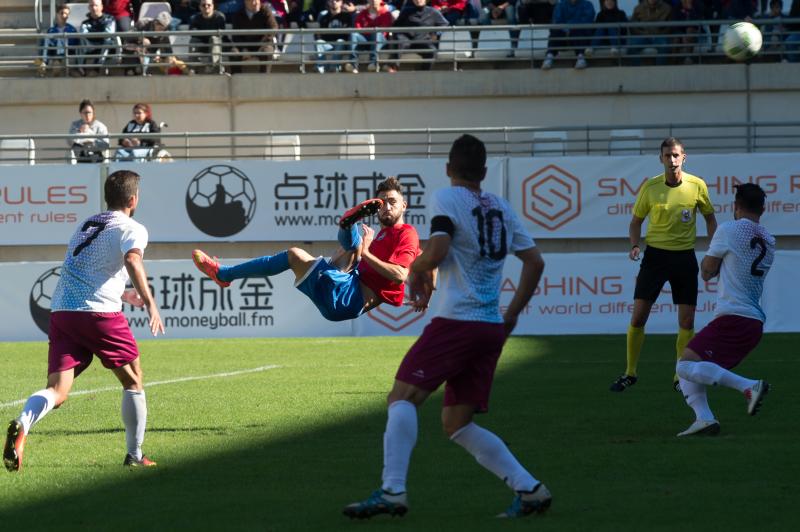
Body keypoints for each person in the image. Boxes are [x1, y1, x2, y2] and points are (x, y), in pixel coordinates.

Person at [343, 135, 550, 520]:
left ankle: (392, 490)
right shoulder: (502, 207)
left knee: (401, 399)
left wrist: (414, 270)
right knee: (457, 422)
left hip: (457, 321)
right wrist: (513, 315)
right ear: (484, 173)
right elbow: (535, 262)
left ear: (448, 169)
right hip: (490, 326)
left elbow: (436, 252)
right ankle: (530, 489)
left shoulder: (446, 198)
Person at [3, 170, 165, 473]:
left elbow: (93, 267)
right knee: (133, 379)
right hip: (98, 313)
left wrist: (125, 295)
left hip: (63, 311)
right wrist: (151, 304)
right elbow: (132, 260)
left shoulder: (88, 223)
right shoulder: (132, 227)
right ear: (133, 199)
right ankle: (135, 454)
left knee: (58, 390)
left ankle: (22, 424)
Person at [192, 176, 420, 322]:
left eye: (392, 201)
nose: (386, 207)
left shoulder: (406, 233)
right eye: (382, 203)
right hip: (341, 290)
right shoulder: (384, 235)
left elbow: (400, 275)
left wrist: (366, 252)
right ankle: (223, 274)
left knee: (357, 244)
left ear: (404, 205)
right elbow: (424, 257)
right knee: (294, 254)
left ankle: (348, 223)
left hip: (349, 299)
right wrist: (428, 290)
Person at [610, 137, 717, 392]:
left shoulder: (697, 185)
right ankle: (630, 372)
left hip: (684, 257)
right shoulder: (650, 187)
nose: (672, 160)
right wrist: (635, 245)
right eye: (667, 156)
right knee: (638, 318)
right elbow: (635, 222)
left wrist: (714, 250)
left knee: (687, 322)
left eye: (675, 155)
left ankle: (680, 376)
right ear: (661, 159)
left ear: (684, 157)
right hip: (655, 258)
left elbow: (711, 220)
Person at [674, 183, 775, 436]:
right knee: (689, 363)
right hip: (753, 323)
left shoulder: (728, 229)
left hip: (734, 317)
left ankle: (749, 386)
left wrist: (712, 263)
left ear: (735, 206)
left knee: (684, 366)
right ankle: (705, 419)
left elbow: (707, 272)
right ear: (763, 209)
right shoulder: (769, 240)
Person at [388, 0, 449, 72]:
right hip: (406, 38)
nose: (418, 0)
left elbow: (445, 25)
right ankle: (393, 67)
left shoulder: (433, 12)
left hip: (422, 40)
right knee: (399, 41)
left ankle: (424, 72)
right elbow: (396, 25)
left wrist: (435, 34)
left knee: (432, 51)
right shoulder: (406, 11)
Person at [540, 0, 596, 70]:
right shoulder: (561, 5)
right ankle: (549, 57)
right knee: (555, 32)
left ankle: (581, 58)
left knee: (578, 31)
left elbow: (587, 20)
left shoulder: (587, 4)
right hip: (564, 37)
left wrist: (571, 27)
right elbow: (557, 21)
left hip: (580, 36)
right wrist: (566, 29)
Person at [230, 0, 279, 74]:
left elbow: (274, 28)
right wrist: (244, 49)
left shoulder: (265, 10)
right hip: (245, 45)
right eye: (252, 1)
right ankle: (237, 79)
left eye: (257, 0)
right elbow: (235, 35)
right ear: (246, 2)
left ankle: (264, 79)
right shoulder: (238, 14)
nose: (256, 3)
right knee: (233, 53)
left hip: (263, 44)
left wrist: (261, 45)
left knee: (267, 52)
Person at [37, 3, 80, 77]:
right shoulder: (51, 30)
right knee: (46, 38)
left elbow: (74, 44)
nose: (64, 16)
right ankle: (43, 63)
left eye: (66, 14)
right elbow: (44, 46)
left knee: (59, 39)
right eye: (62, 13)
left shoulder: (72, 29)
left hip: (67, 54)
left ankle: (44, 63)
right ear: (57, 14)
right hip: (53, 53)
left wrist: (59, 40)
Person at [315, 0, 356, 73]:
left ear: (341, 2)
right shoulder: (324, 17)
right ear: (328, 2)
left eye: (337, 0)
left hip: (342, 44)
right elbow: (320, 35)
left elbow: (349, 34)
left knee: (340, 41)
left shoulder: (347, 16)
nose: (334, 2)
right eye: (331, 1)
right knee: (318, 42)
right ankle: (321, 67)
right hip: (329, 44)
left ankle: (334, 67)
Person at [353, 0, 395, 72]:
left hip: (381, 40)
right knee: (354, 34)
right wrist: (369, 33)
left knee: (377, 33)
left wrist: (369, 32)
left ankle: (373, 63)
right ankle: (352, 64)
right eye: (372, 0)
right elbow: (358, 27)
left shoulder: (386, 13)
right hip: (366, 39)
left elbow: (384, 31)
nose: (374, 1)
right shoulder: (363, 13)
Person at [189, 0, 229, 74]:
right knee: (193, 41)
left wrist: (204, 33)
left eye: (209, 5)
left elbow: (220, 34)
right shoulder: (195, 18)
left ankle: (215, 68)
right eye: (203, 5)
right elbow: (193, 33)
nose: (206, 7)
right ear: (200, 7)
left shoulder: (219, 17)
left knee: (214, 40)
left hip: (217, 44)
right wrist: (209, 34)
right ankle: (193, 69)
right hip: (202, 44)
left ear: (213, 6)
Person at [628, 0, 672, 66]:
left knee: (664, 46)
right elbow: (632, 26)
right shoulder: (639, 8)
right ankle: (636, 72)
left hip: (659, 36)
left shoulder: (666, 8)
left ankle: (660, 72)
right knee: (631, 47)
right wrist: (640, 33)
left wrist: (662, 33)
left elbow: (670, 25)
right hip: (643, 36)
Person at [80, 0, 117, 77]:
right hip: (91, 48)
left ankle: (96, 68)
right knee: (81, 40)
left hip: (107, 49)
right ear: (88, 8)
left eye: (96, 5)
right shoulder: (85, 23)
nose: (94, 8)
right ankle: (81, 70)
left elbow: (108, 34)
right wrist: (99, 36)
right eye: (91, 6)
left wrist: (92, 35)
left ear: (101, 7)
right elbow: (84, 35)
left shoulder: (110, 19)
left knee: (107, 41)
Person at [69, 99, 110, 163]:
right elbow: (69, 141)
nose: (87, 115)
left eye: (89, 112)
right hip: (80, 155)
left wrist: (91, 138)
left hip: (95, 155)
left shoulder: (100, 126)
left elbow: (105, 144)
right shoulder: (75, 125)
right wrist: (80, 132)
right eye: (85, 112)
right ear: (80, 113)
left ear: (93, 113)